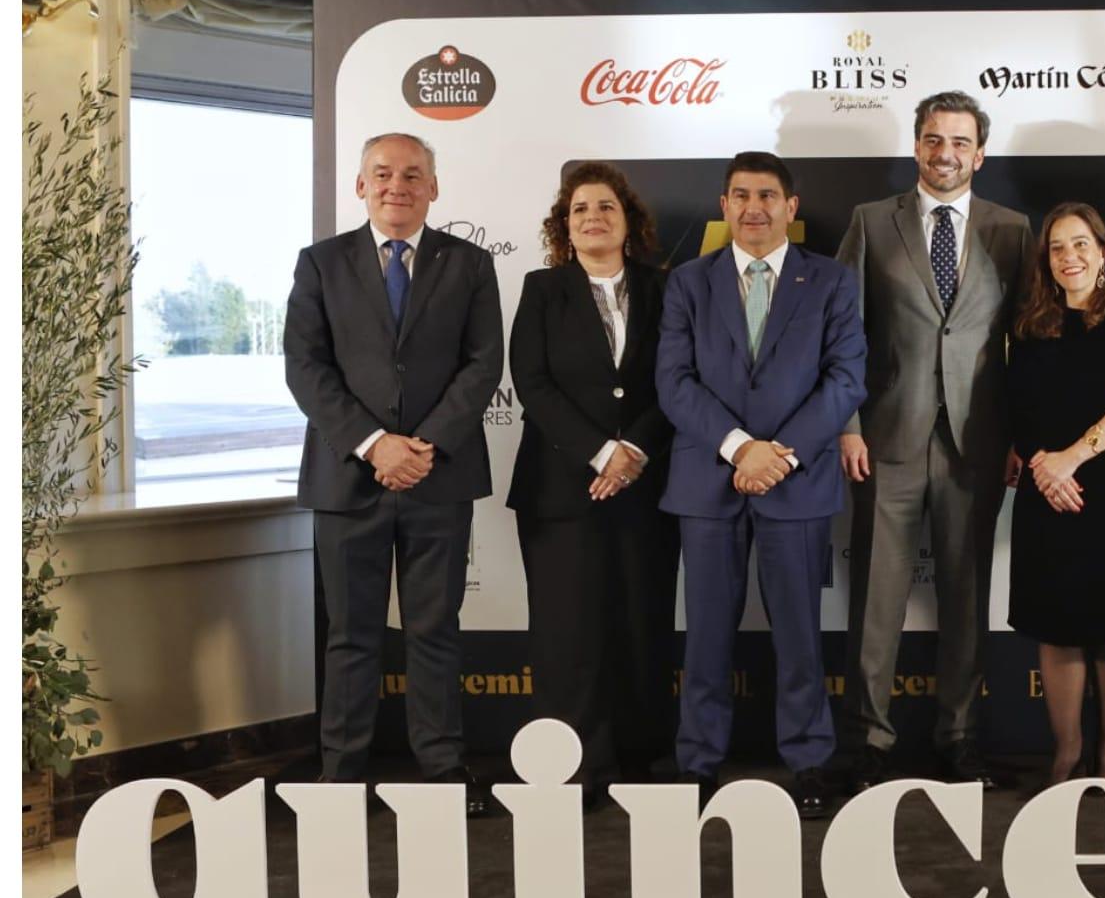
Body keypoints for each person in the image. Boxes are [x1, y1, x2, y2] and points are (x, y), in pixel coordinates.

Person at [284, 132, 502, 816]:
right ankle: (341, 777)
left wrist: (423, 445)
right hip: (349, 480)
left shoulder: (469, 264)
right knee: (351, 634)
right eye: (382, 174)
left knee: (435, 629)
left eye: (412, 175)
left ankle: (441, 769)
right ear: (360, 185)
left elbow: (482, 364)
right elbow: (305, 367)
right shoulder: (320, 264)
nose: (396, 186)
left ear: (433, 188)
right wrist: (376, 444)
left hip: (439, 477)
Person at [656, 151, 866, 819]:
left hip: (796, 484)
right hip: (708, 482)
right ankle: (698, 762)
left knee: (801, 636)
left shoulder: (831, 282)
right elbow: (674, 382)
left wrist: (782, 454)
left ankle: (808, 760)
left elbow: (846, 379)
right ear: (724, 206)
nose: (754, 207)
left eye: (768, 195)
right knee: (707, 636)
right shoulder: (688, 282)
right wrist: (741, 447)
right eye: (741, 195)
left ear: (791, 207)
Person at [835, 91, 1034, 790]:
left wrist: (1020, 435)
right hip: (885, 437)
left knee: (966, 594)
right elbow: (844, 333)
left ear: (979, 153)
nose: (943, 152)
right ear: (915, 146)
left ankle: (959, 738)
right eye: (930, 139)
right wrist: (848, 425)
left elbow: (1029, 344)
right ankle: (867, 742)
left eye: (958, 141)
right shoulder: (871, 222)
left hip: (977, 442)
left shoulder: (1013, 229)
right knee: (875, 601)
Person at [506, 162, 679, 806]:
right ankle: (573, 767)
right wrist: (603, 451)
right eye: (579, 209)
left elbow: (678, 379)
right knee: (566, 633)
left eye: (605, 206)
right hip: (559, 491)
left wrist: (633, 449)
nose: (593, 217)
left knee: (641, 621)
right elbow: (533, 384)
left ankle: (641, 756)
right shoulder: (542, 288)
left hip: (646, 485)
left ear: (628, 220)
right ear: (564, 226)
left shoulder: (665, 290)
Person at [1007, 203, 1105, 785]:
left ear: (1103, 252)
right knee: (1058, 626)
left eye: (1079, 245)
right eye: (1056, 248)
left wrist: (1072, 459)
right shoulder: (1028, 325)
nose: (1068, 257)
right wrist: (1046, 469)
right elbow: (1014, 404)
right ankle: (1068, 752)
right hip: (1046, 492)